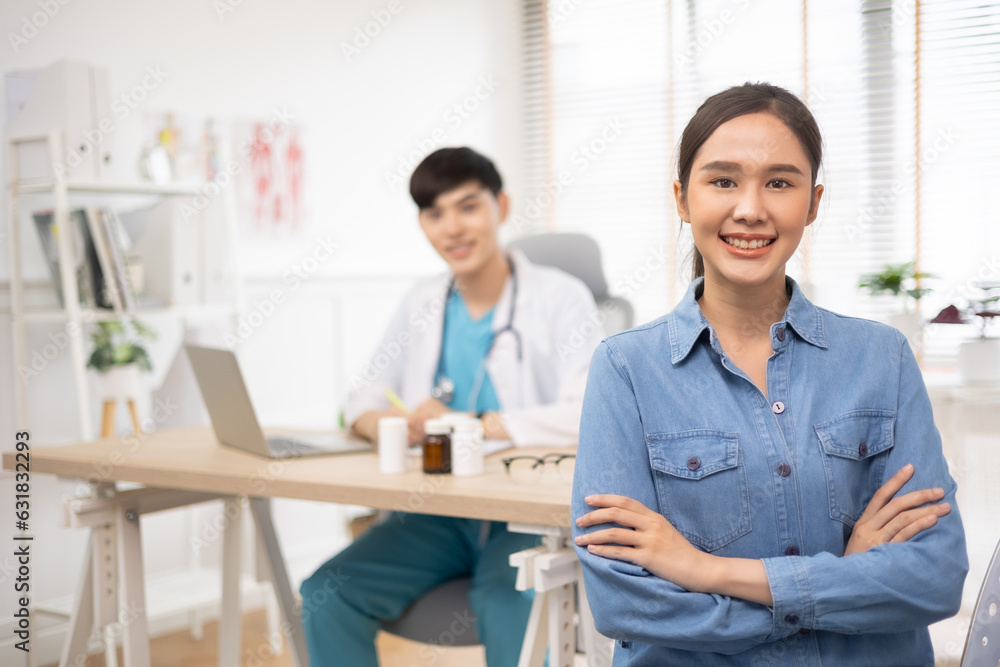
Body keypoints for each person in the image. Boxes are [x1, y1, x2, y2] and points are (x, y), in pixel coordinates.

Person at [571, 83, 967, 665]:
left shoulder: (881, 358)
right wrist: (848, 578)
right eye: (723, 180)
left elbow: (933, 577)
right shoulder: (625, 369)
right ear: (682, 199)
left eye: (779, 182)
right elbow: (626, 605)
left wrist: (707, 571)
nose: (751, 208)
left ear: (813, 202)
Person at [301, 146, 603, 666]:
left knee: (510, 603)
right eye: (434, 213)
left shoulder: (560, 298)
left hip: (524, 518)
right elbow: (361, 396)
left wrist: (478, 424)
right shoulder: (423, 301)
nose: (452, 228)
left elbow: (592, 411)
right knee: (327, 593)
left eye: (467, 206)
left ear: (501, 207)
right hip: (438, 513)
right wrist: (385, 423)